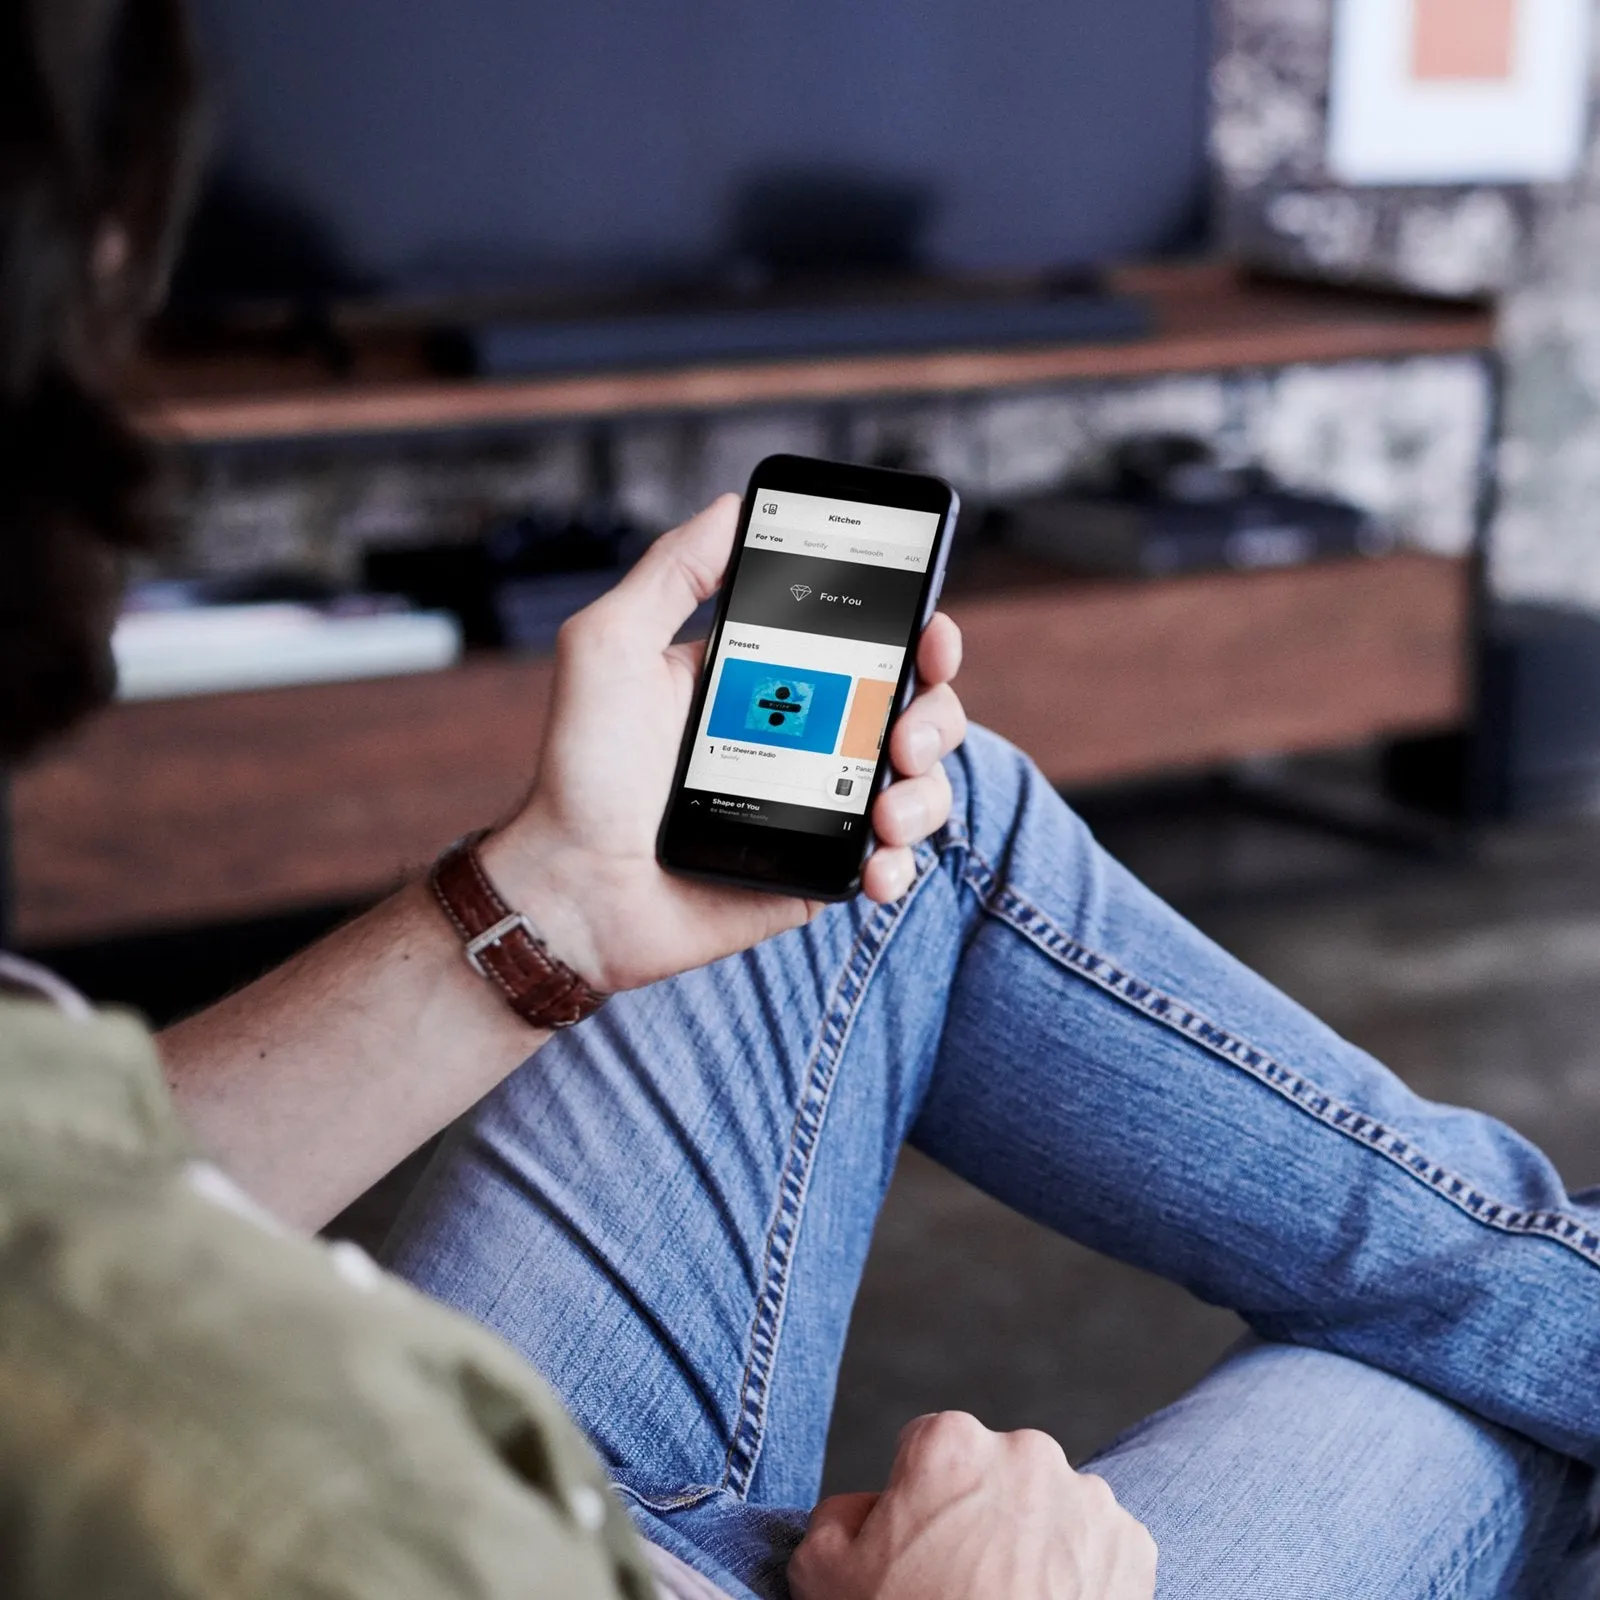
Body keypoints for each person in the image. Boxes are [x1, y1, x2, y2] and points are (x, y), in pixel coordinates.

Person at [2, 2, 1597, 1596]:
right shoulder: (220, 1503)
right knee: (1440, 1409)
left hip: (459, 1454)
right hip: (477, 1528)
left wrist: (546, 894)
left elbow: (53, 1185)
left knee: (917, 824)